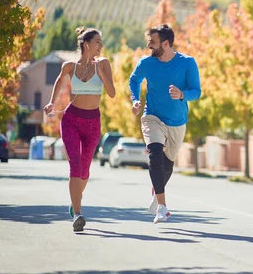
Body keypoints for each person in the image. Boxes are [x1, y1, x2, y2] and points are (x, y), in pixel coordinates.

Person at [44, 27, 116, 232]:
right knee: (75, 165)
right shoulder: (70, 67)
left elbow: (112, 93)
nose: (101, 46)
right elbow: (59, 83)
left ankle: (75, 199)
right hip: (71, 120)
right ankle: (78, 213)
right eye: (97, 42)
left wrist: (101, 73)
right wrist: (51, 103)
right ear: (87, 44)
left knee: (85, 170)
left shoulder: (103, 64)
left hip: (93, 122)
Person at [129, 24, 201, 223]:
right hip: (152, 115)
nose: (148, 45)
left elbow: (197, 91)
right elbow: (134, 80)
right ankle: (162, 207)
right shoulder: (146, 63)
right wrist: (135, 99)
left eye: (152, 42)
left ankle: (155, 196)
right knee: (155, 156)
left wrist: (182, 95)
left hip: (177, 121)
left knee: (167, 167)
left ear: (166, 43)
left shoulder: (187, 63)